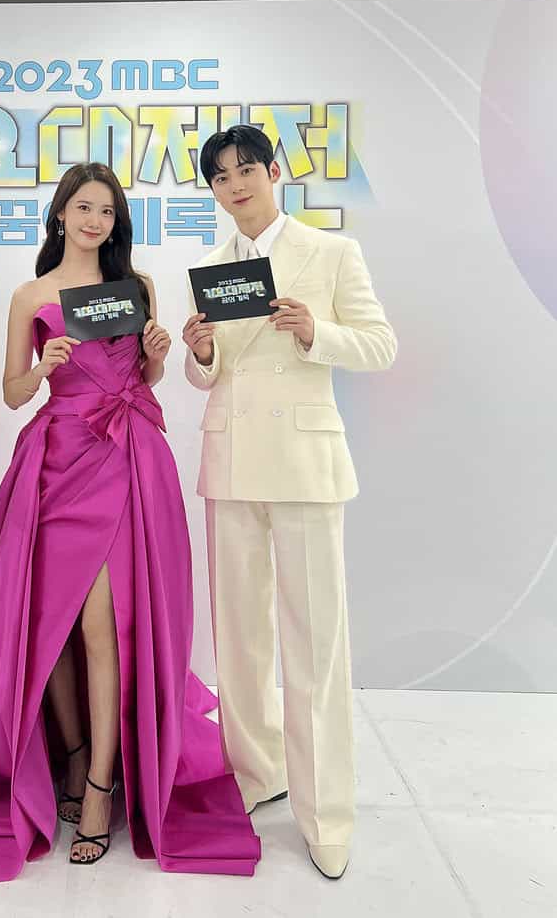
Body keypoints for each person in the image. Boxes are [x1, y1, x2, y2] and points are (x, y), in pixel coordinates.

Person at [0, 162, 260, 881]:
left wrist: (157, 357)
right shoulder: (30, 295)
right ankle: (74, 755)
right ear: (60, 214)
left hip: (125, 458)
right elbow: (11, 393)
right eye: (83, 207)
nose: (94, 221)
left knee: (102, 626)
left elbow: (143, 378)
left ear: (116, 222)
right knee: (49, 624)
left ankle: (103, 785)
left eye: (106, 211)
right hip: (57, 459)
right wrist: (42, 364)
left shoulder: (135, 287)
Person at [182, 125, 397, 880]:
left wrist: (315, 332)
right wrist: (200, 351)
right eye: (220, 177)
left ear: (274, 172)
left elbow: (380, 344)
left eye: (246, 169)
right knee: (239, 640)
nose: (235, 184)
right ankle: (254, 772)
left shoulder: (331, 252)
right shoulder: (212, 267)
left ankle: (326, 812)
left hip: (305, 465)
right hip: (232, 463)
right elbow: (208, 374)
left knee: (315, 643)